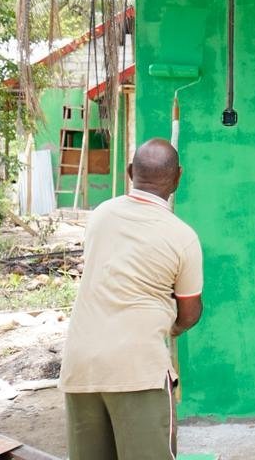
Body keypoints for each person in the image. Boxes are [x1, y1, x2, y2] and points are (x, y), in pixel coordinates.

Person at [59, 138, 204, 460]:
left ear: (129, 172)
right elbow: (190, 312)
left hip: (81, 365)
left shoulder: (100, 216)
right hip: (138, 370)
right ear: (178, 177)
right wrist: (172, 325)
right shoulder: (182, 237)